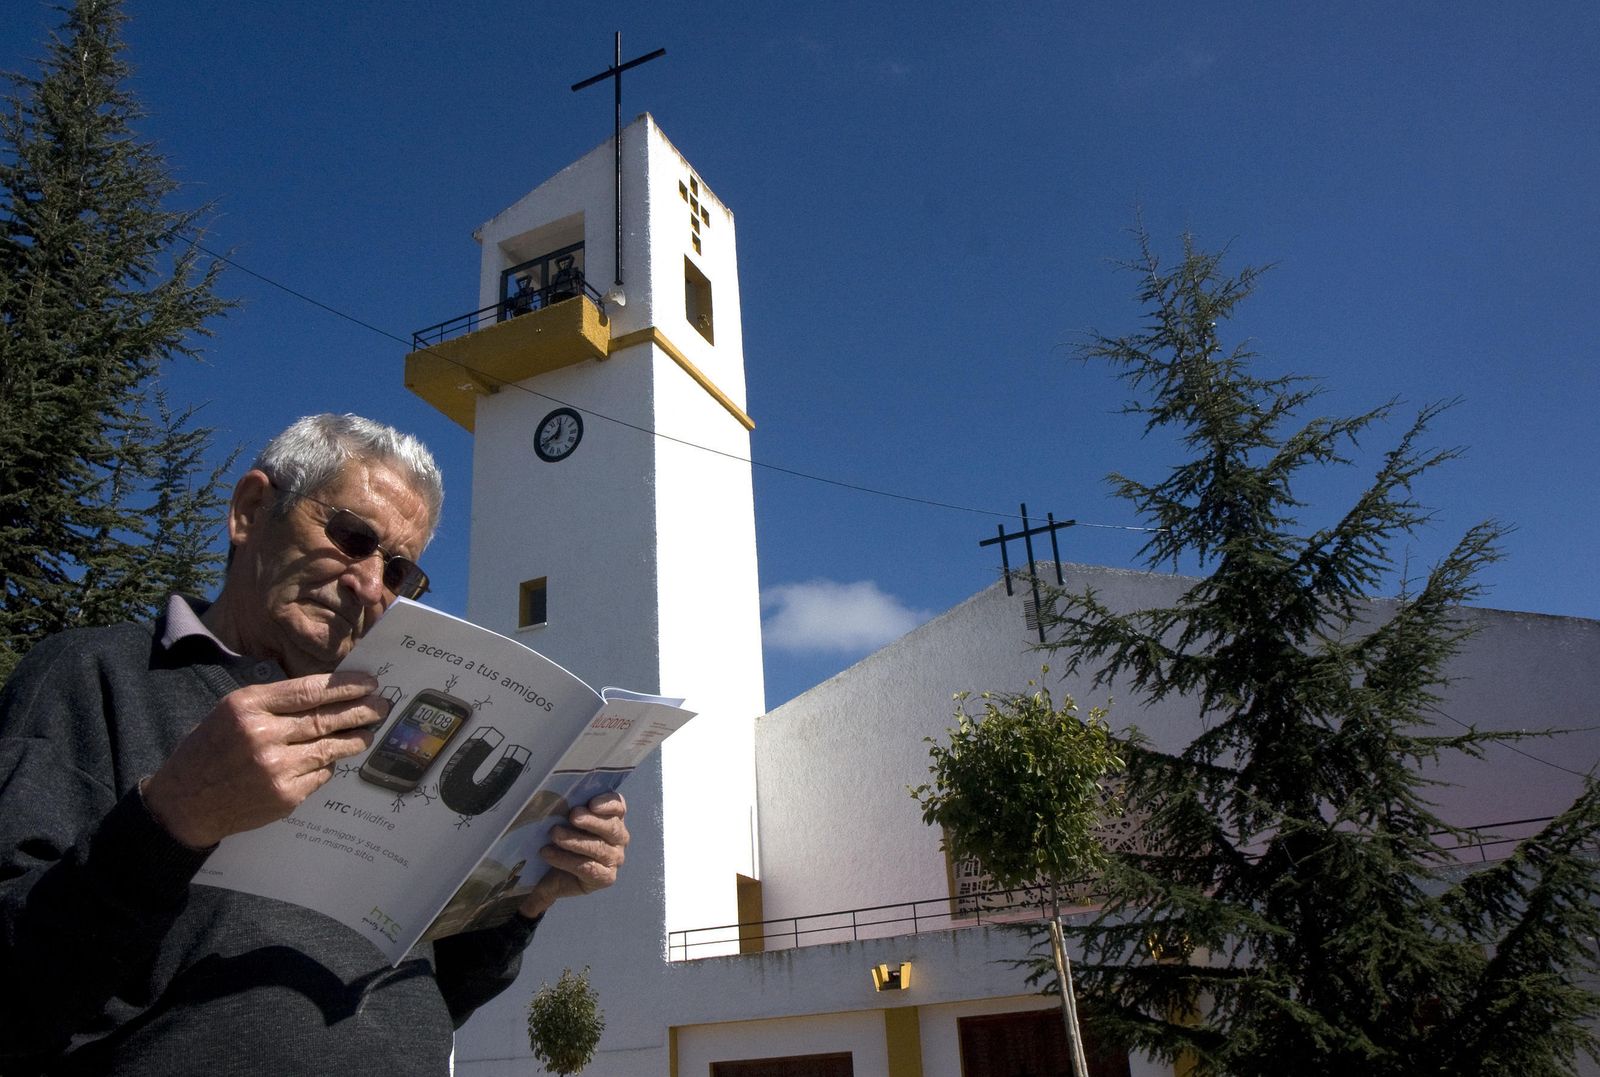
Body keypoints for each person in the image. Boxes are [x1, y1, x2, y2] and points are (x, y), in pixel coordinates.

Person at [0, 414, 628, 1075]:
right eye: (351, 537)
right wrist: (169, 819)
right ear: (249, 510)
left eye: (398, 572)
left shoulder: (390, 727)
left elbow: (431, 997)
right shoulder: (97, 674)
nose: (367, 583)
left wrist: (524, 898)